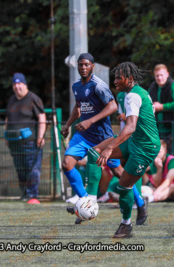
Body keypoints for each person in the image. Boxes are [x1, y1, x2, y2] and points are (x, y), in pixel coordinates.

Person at [61, 53, 147, 224]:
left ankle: (141, 204)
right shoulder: (76, 86)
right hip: (84, 136)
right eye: (81, 65)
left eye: (87, 65)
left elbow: (113, 106)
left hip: (102, 137)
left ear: (92, 66)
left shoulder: (99, 86)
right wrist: (67, 124)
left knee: (119, 172)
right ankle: (85, 204)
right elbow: (78, 108)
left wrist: (90, 121)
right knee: (67, 164)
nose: (83, 67)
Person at [87, 62, 160, 238]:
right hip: (136, 141)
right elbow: (145, 117)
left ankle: (126, 225)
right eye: (115, 77)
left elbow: (131, 127)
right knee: (94, 152)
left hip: (145, 147)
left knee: (124, 186)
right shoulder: (137, 93)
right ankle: (89, 200)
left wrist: (110, 148)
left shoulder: (132, 96)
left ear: (130, 78)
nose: (116, 80)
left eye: (119, 77)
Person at [5, 73, 46, 204]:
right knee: (20, 169)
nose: (17, 87)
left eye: (19, 84)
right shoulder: (12, 100)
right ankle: (24, 193)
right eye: (14, 84)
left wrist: (40, 136)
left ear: (25, 85)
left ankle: (32, 195)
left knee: (32, 169)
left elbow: (42, 117)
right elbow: (7, 119)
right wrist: (6, 135)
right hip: (14, 142)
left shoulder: (33, 98)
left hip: (30, 142)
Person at [148, 64, 174, 147]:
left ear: (167, 74)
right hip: (156, 130)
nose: (159, 78)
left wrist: (162, 107)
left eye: (161, 75)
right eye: (157, 76)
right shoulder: (152, 87)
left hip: (172, 129)